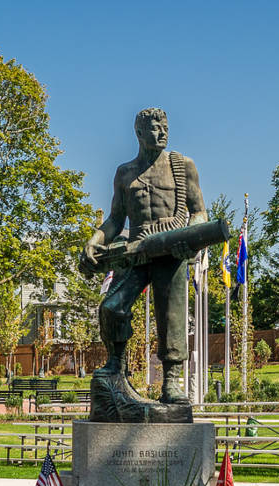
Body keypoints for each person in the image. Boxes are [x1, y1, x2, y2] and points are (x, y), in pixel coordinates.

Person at [80, 108, 207, 419]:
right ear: (138, 133)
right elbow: (114, 219)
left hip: (170, 250)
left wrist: (190, 239)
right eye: (155, 128)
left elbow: (200, 212)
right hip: (136, 252)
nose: (162, 132)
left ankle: (172, 384)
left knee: (171, 316)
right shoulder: (125, 173)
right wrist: (94, 241)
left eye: (165, 127)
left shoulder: (182, 166)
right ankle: (117, 366)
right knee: (112, 307)